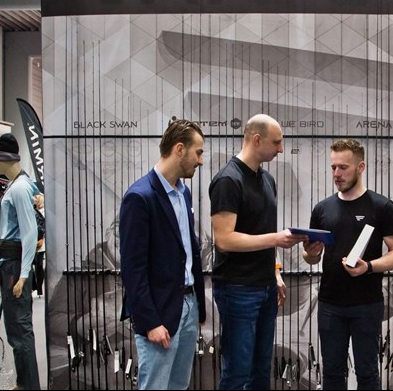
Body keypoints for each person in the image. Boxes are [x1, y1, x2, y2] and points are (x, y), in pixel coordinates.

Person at [209, 114, 308, 389]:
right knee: (237, 372)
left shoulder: (267, 180)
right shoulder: (228, 181)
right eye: (276, 142)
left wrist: (275, 271)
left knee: (261, 369)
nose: (281, 149)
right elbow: (224, 240)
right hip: (237, 289)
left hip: (265, 288)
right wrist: (277, 239)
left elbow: (261, 229)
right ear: (256, 140)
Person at [301, 138, 393, 390]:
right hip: (329, 304)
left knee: (367, 373)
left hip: (367, 304)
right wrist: (311, 254)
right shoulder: (322, 209)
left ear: (361, 167)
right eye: (333, 167)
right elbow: (311, 257)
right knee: (332, 373)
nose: (337, 174)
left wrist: (367, 267)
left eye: (343, 167)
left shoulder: (382, 207)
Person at [119, 119, 207, 390]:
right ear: (179, 149)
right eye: (198, 152)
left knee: (179, 385)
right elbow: (132, 270)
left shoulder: (184, 193)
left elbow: (188, 251)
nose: (201, 161)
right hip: (160, 313)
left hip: (188, 306)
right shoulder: (139, 197)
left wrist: (198, 307)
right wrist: (151, 322)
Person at [0, 133, 41, 390]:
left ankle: (28, 386)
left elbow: (30, 232)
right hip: (10, 265)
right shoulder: (22, 185)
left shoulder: (19, 188)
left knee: (19, 331)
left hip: (13, 266)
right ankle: (24, 383)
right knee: (17, 329)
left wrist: (22, 274)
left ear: (4, 159)